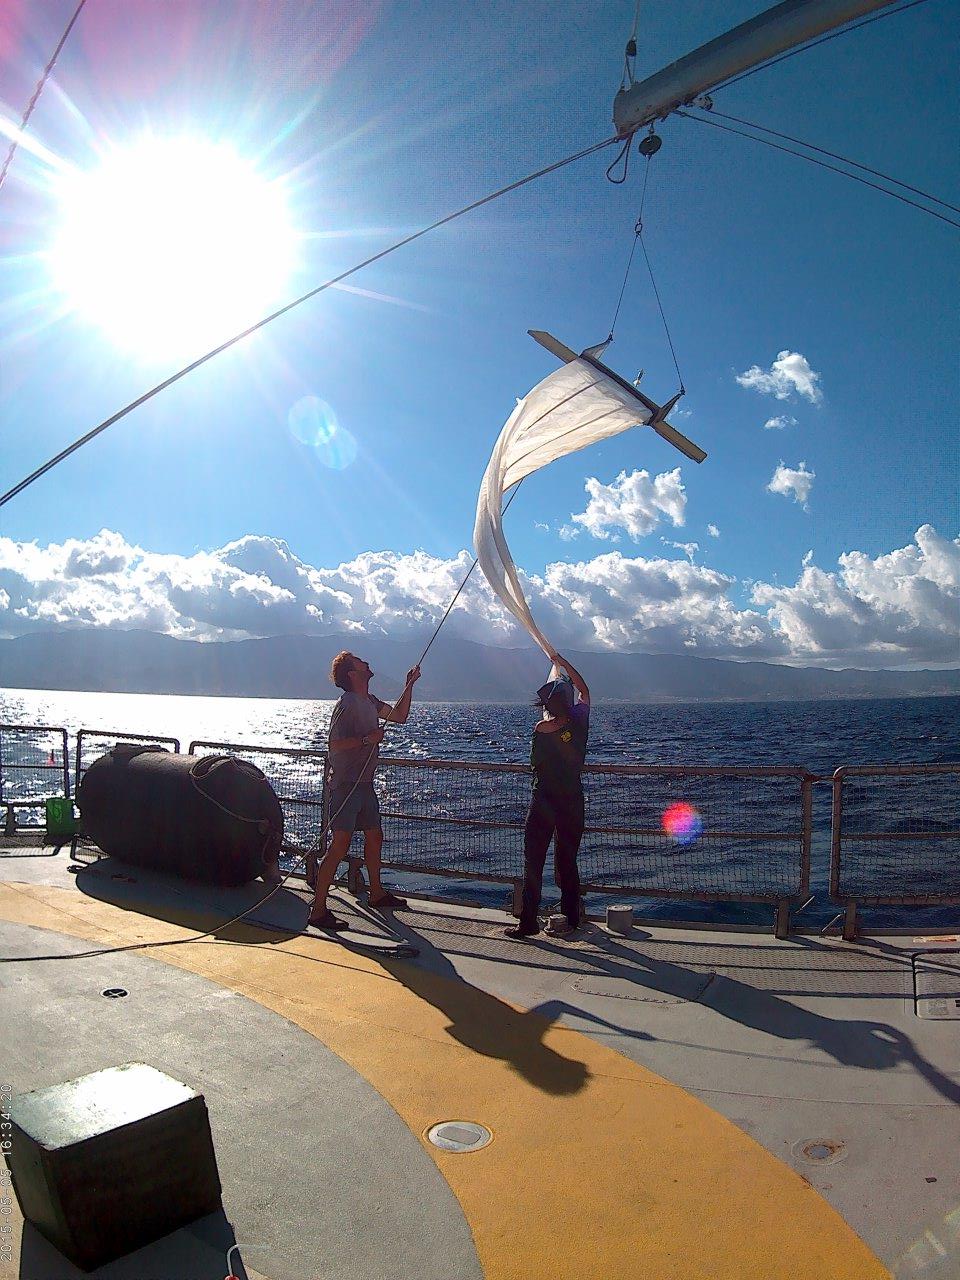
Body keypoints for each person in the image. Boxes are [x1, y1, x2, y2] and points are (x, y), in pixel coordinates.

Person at [308, 651, 421, 930]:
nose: (367, 663)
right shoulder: (346, 705)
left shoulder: (369, 701)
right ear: (352, 674)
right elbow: (334, 745)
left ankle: (377, 893)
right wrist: (365, 739)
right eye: (360, 662)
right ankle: (318, 910)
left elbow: (400, 716)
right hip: (346, 786)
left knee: (374, 836)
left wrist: (409, 685)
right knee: (339, 846)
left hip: (365, 784)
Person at [506, 653, 590, 940]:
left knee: (534, 861)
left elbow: (534, 762)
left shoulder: (540, 730)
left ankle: (528, 920)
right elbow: (585, 691)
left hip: (542, 800)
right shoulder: (579, 720)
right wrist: (563, 663)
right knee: (567, 859)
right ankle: (571, 917)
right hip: (572, 800)